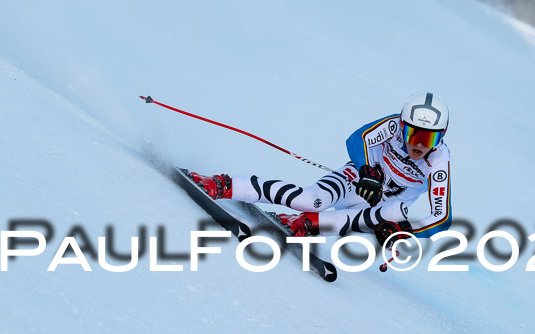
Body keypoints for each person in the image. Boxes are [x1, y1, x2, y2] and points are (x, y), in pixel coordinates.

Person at [190, 92, 452, 246]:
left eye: (428, 139)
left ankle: (306, 225)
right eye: (412, 133)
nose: (418, 144)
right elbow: (356, 139)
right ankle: (222, 184)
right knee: (310, 200)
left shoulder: (438, 162)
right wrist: (366, 171)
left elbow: (442, 219)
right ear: (402, 124)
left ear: (441, 138)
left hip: (382, 206)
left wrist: (404, 232)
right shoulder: (392, 126)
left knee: (397, 213)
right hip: (359, 181)